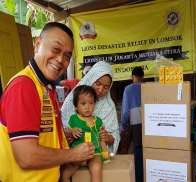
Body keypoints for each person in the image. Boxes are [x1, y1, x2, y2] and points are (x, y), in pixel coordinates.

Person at [0, 22, 95, 182]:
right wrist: (73, 154)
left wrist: (67, 136)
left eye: (67, 56)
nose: (60, 60)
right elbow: (27, 156)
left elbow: (43, 134)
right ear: (37, 44)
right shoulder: (24, 86)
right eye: (56, 50)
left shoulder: (45, 87)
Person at [61, 61, 120, 154]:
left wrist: (108, 138)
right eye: (98, 83)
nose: (100, 90)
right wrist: (69, 134)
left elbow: (114, 137)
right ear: (91, 79)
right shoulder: (72, 99)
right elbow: (62, 128)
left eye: (106, 87)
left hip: (97, 155)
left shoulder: (109, 107)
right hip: (74, 155)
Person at [62, 85, 105, 182]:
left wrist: (105, 151)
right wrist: (72, 131)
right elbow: (67, 132)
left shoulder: (98, 121)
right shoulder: (73, 119)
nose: (88, 107)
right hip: (78, 153)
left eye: (91, 103)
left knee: (97, 168)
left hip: (94, 152)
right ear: (76, 106)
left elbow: (102, 138)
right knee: (65, 173)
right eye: (83, 103)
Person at [121, 66, 144, 182]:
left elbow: (125, 111)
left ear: (132, 77)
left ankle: (139, 177)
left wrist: (123, 126)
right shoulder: (147, 87)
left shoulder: (128, 89)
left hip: (135, 121)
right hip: (148, 121)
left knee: (138, 148)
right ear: (143, 77)